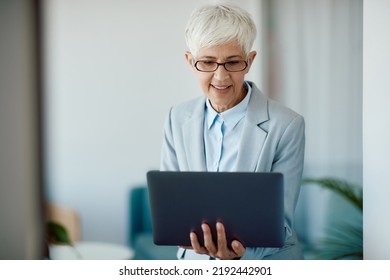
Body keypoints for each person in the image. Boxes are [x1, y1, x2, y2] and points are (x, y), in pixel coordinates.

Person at [160, 3, 305, 260]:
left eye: (232, 62)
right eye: (207, 62)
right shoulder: (176, 118)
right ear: (190, 62)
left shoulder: (287, 125)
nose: (220, 77)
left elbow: (281, 225)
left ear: (249, 61)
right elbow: (172, 209)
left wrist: (238, 256)